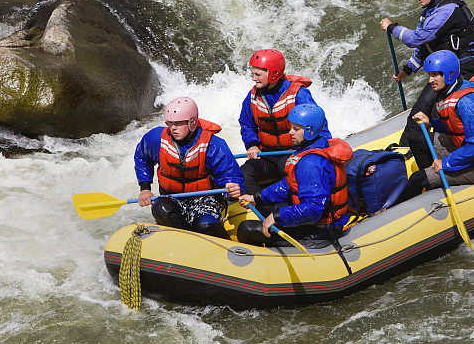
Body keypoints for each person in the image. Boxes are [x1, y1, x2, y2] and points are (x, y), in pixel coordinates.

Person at [379, 0, 474, 147]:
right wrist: (407, 69)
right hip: (447, 70)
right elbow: (425, 47)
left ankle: (421, 150)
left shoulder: (448, 10)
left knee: (431, 111)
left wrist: (392, 28)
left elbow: (416, 39)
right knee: (423, 108)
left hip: (464, 67)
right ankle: (409, 148)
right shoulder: (430, 12)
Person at [228, 103, 353, 248]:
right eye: (291, 127)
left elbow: (314, 208)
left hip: (319, 231)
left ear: (310, 130)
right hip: (316, 221)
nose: (290, 132)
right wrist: (256, 197)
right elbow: (288, 184)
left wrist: (276, 217)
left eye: (296, 129)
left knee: (246, 229)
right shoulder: (312, 146)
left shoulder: (311, 163)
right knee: (269, 208)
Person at [396, 50, 474, 203]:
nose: (430, 80)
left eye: (434, 75)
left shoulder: (467, 102)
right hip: (461, 147)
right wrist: (431, 122)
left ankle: (427, 183)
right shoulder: (449, 90)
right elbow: (456, 127)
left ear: (449, 74)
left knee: (417, 179)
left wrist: (446, 163)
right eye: (429, 75)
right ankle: (434, 183)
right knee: (415, 137)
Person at [135, 96, 244, 238]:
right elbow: (142, 158)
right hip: (172, 197)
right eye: (170, 123)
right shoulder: (156, 138)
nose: (173, 128)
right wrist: (145, 189)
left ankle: (223, 244)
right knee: (161, 210)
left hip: (205, 198)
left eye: (179, 124)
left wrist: (233, 186)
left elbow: (231, 175)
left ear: (192, 122)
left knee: (205, 224)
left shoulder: (213, 145)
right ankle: (181, 241)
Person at [238, 48, 330, 196]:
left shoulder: (298, 94)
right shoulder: (253, 96)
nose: (253, 78)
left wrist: (321, 151)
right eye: (253, 74)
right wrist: (253, 145)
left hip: (296, 152)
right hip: (268, 155)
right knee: (245, 172)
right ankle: (259, 208)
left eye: (258, 74)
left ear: (273, 73)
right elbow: (247, 125)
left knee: (286, 167)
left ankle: (291, 208)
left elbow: (318, 124)